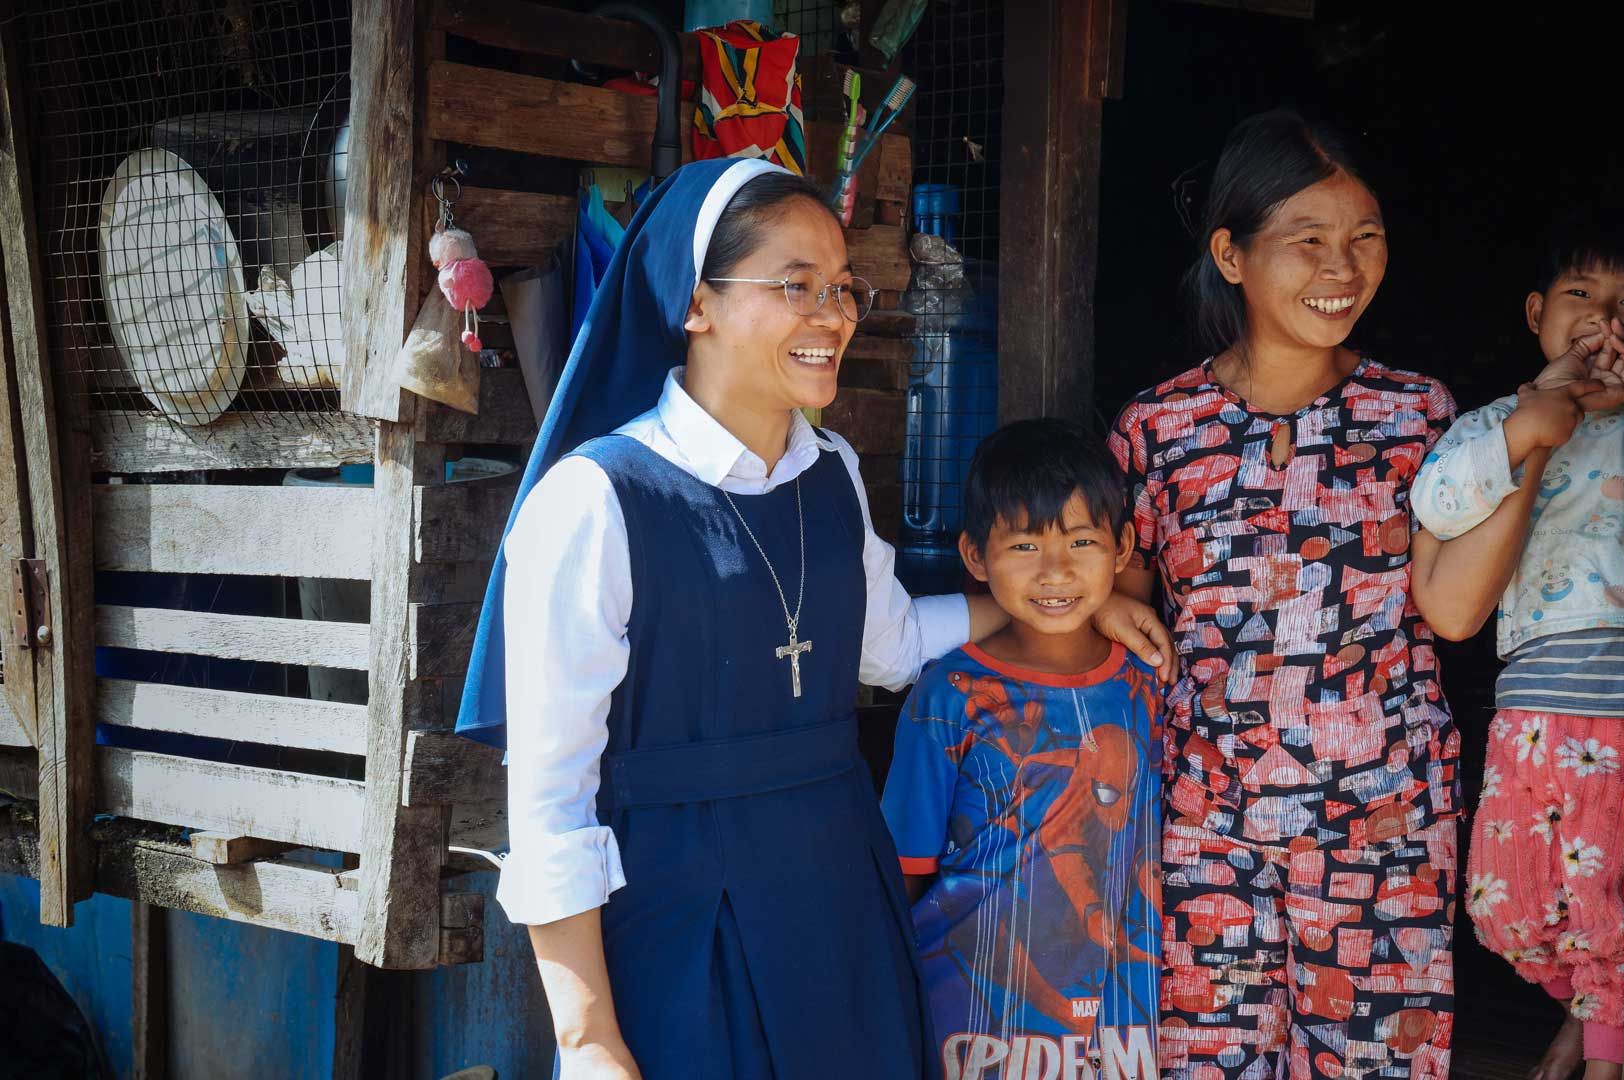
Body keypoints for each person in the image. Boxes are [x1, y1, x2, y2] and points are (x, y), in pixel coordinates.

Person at [453, 160, 1175, 1080]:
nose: (833, 313)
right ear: (696, 304)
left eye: (842, 287)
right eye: (797, 285)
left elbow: (893, 645)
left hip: (838, 898)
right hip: (679, 912)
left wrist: (1064, 598)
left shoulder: (830, 471)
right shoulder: (595, 499)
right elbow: (552, 796)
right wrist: (586, 1035)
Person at [1110, 109, 1460, 1079]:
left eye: (1364, 239)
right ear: (1231, 252)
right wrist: (1104, 603)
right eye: (1307, 242)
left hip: (1383, 830)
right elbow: (1123, 600)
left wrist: (1531, 438)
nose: (1341, 268)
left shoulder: (1418, 417)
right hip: (1206, 831)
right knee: (1206, 1063)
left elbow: (1458, 611)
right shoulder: (1159, 429)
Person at [1409, 213, 1624, 1080]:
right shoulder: (1492, 422)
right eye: (1581, 296)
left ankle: (1606, 1046)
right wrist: (1535, 418)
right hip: (1530, 711)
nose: (1605, 318)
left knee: (1606, 904)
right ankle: (1588, 1015)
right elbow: (1437, 506)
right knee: (1501, 907)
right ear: (1535, 313)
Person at [881, 420, 1164, 1080]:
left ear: (1123, 547)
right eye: (1025, 545)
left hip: (1123, 1028)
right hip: (973, 1024)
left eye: (1082, 540)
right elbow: (905, 867)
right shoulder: (949, 696)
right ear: (976, 557)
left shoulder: (1148, 686)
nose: (1056, 570)